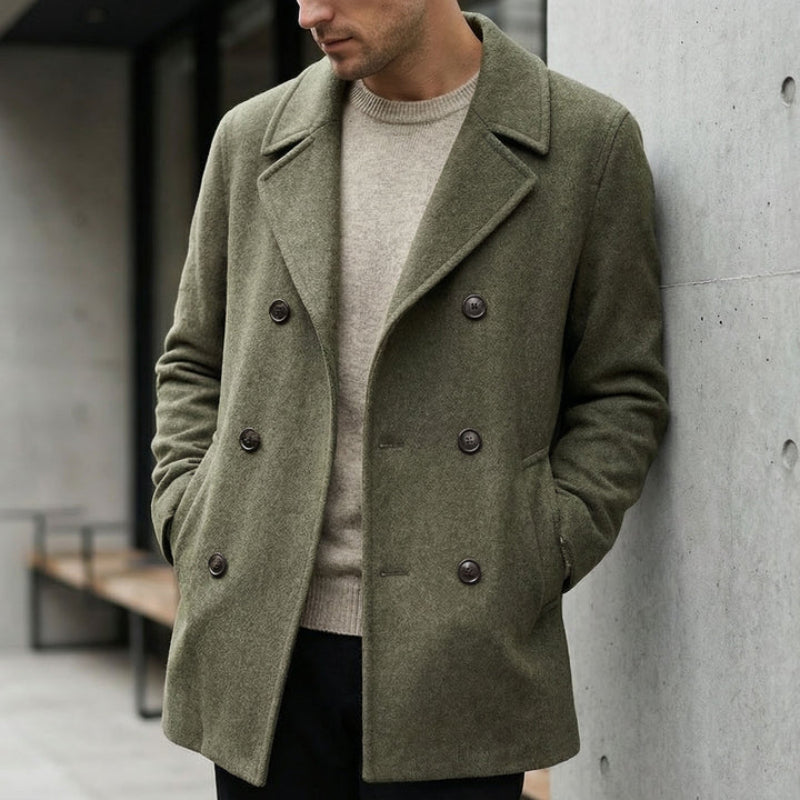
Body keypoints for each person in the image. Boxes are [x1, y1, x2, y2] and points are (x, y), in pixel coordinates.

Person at [151, 1, 669, 798]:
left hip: (458, 645)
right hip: (263, 639)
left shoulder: (584, 143)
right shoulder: (251, 138)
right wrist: (190, 513)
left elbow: (621, 388)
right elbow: (194, 357)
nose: (310, 13)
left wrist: (538, 548)